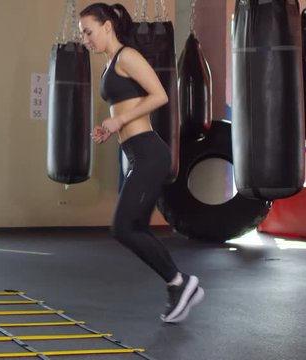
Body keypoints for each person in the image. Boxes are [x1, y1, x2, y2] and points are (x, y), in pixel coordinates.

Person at [79, 2, 204, 323]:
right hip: (137, 153)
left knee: (124, 227)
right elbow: (126, 105)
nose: (85, 39)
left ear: (107, 27)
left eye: (88, 32)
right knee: (130, 227)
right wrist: (111, 127)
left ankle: (180, 282)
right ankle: (179, 283)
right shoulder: (110, 64)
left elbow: (160, 95)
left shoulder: (128, 57)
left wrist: (118, 123)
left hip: (150, 153)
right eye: (82, 34)